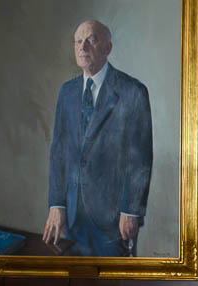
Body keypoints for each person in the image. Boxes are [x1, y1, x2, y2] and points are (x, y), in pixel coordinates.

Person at [43, 19, 152, 257]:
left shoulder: (132, 92)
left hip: (113, 219)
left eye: (91, 40)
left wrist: (131, 211)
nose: (83, 47)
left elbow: (140, 158)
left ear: (107, 48)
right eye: (78, 42)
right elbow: (59, 151)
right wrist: (57, 205)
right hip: (71, 216)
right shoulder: (67, 92)